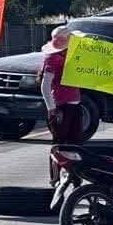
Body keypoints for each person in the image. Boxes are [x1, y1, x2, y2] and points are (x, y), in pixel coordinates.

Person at [39, 26, 84, 181]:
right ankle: (56, 178)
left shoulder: (68, 56)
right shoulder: (52, 58)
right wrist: (52, 109)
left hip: (74, 105)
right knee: (59, 144)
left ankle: (73, 175)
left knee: (75, 142)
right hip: (61, 106)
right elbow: (45, 85)